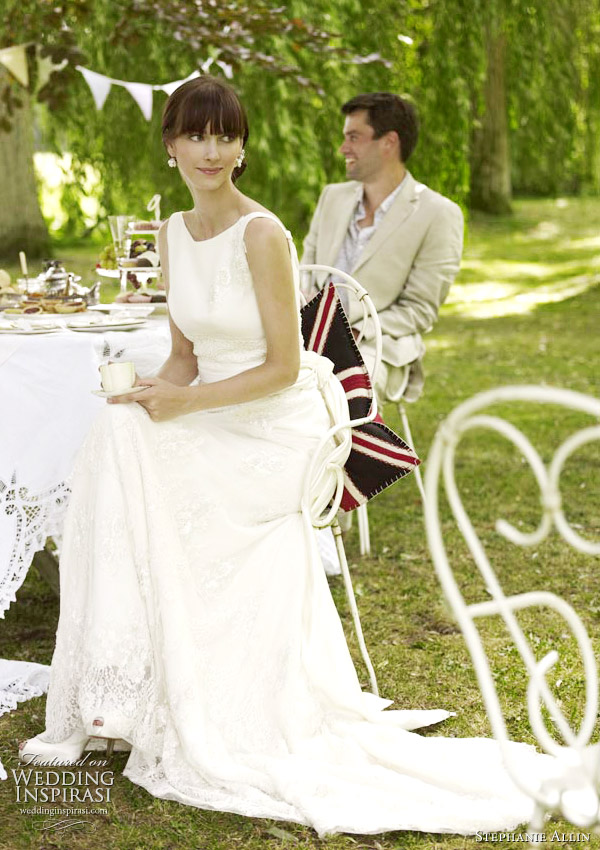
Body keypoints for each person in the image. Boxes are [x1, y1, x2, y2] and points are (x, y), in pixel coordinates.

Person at [19, 76, 551, 837]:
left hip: (272, 423)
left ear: (242, 147)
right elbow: (182, 356)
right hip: (215, 404)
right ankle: (117, 691)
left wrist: (186, 404)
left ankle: (173, 695)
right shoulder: (171, 233)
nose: (212, 150)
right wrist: (148, 394)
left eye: (225, 135)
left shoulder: (262, 232)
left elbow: (279, 365)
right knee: (116, 434)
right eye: (196, 135)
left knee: (140, 444)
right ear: (170, 146)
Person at [302, 91, 464, 405]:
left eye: (353, 137)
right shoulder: (331, 197)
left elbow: (419, 309)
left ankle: (345, 454)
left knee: (331, 395)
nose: (342, 148)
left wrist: (352, 332)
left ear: (389, 142)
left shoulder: (439, 214)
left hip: (376, 345)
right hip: (305, 336)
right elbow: (305, 274)